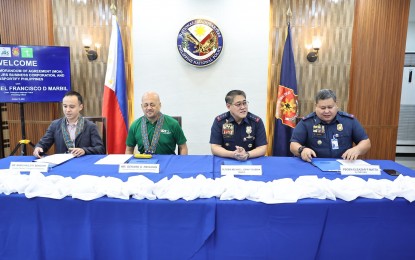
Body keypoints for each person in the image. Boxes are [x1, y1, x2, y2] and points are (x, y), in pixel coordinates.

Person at [290, 89, 371, 162]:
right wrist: (302, 150)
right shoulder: (307, 123)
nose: (327, 111)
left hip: (343, 165)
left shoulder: (349, 121)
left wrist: (357, 149)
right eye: (323, 108)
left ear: (336, 105)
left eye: (330, 107)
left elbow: (366, 142)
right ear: (316, 106)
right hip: (314, 165)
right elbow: (293, 144)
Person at [33, 90, 105, 158]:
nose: (67, 110)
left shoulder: (90, 126)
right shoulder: (55, 125)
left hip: (83, 163)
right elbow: (43, 143)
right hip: (62, 164)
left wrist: (84, 150)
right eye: (65, 106)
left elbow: (100, 149)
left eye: (72, 107)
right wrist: (39, 148)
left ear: (80, 107)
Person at [210, 90, 267, 161]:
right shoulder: (220, 121)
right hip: (227, 160)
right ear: (228, 106)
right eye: (238, 104)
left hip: (250, 160)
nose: (243, 107)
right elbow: (215, 147)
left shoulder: (256, 121)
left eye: (244, 103)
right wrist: (233, 154)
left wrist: (247, 154)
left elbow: (262, 148)